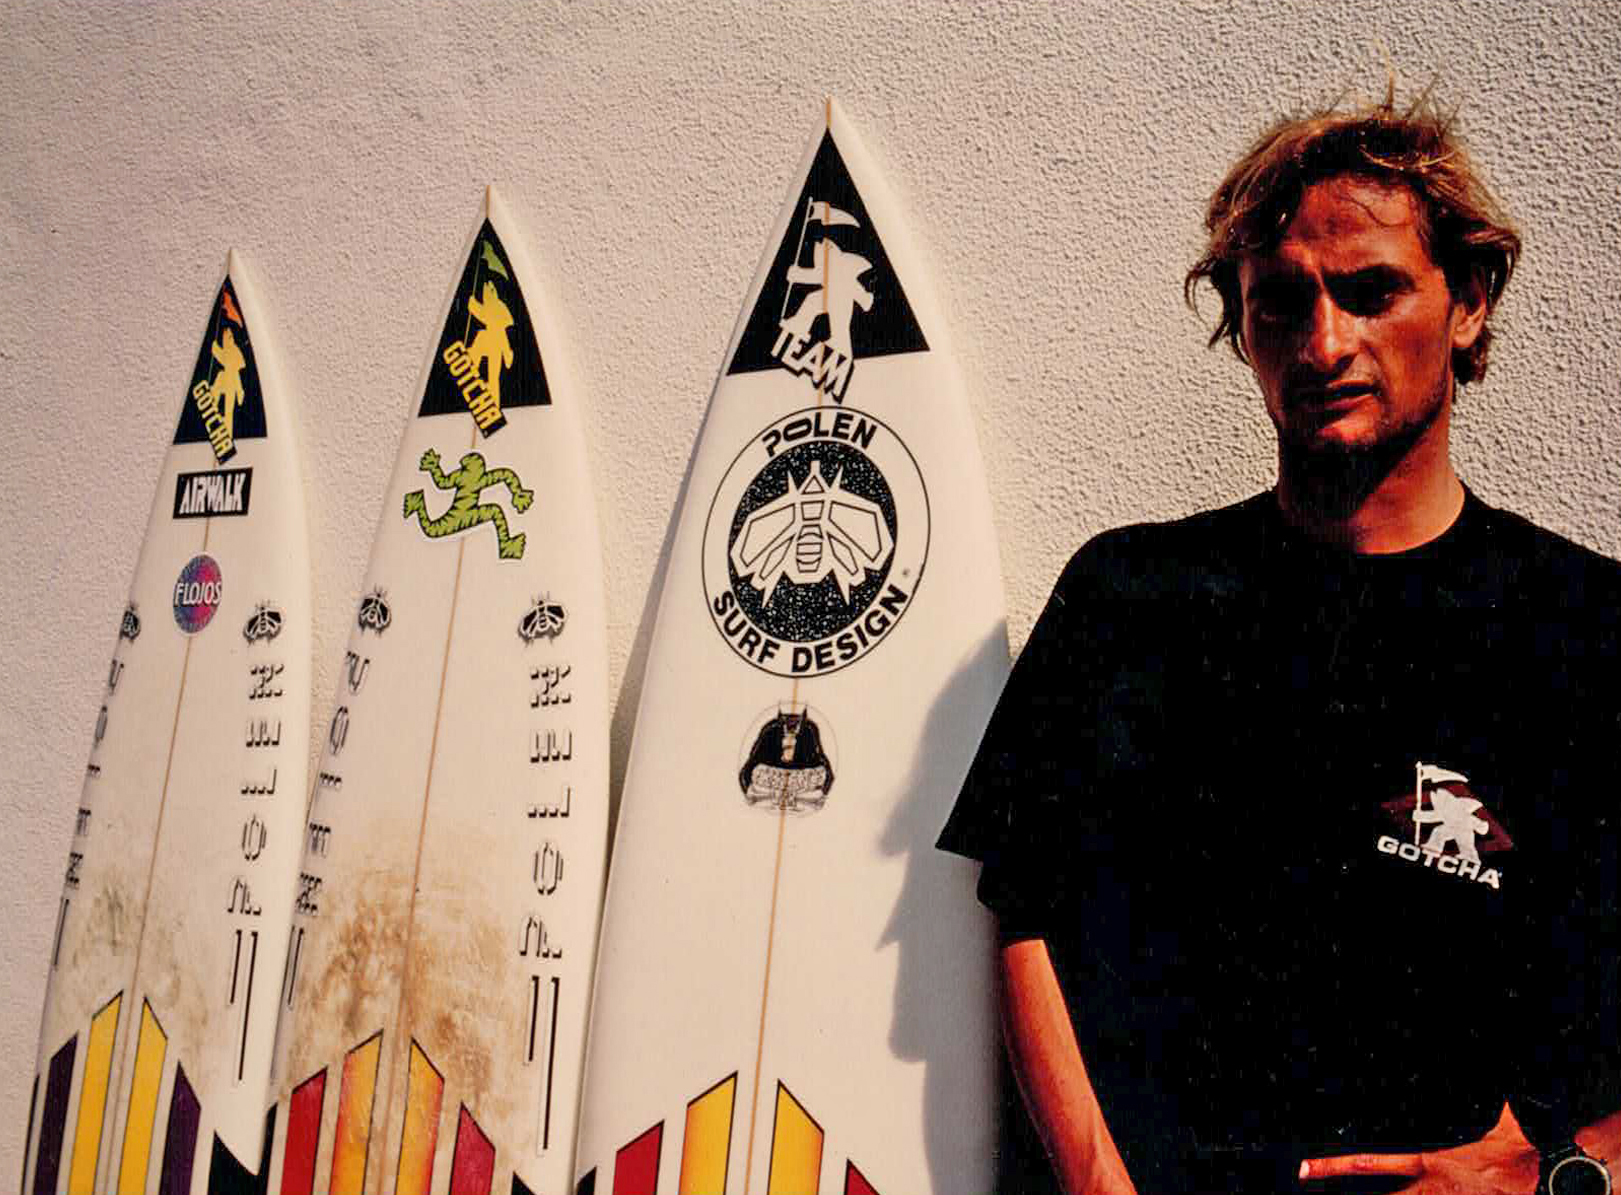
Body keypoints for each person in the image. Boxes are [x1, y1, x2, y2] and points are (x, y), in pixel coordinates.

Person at [938, 93, 1621, 1195]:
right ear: (1241, 325)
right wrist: (1100, 1185)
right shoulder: (1129, 596)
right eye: (1281, 301)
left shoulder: (1586, 626)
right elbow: (1027, 915)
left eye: (1370, 292)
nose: (1324, 342)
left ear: (1467, 303)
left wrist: (1561, 1173)